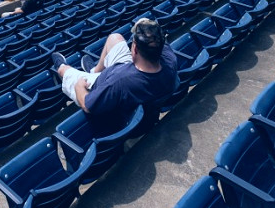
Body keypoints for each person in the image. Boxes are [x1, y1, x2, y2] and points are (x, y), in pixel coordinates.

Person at [52, 17, 180, 138]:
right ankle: (94, 70)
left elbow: (87, 105)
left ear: (134, 49)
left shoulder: (120, 82)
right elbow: (155, 33)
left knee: (64, 71)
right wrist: (145, 24)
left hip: (101, 84)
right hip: (131, 70)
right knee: (115, 38)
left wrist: (79, 86)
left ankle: (64, 67)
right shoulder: (170, 61)